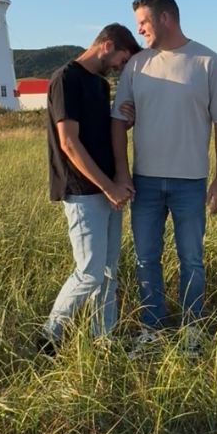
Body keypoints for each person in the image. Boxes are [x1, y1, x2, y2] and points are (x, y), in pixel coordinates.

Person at [111, 0, 217, 356]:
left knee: (191, 261)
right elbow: (118, 121)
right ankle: (151, 330)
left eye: (143, 23)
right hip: (145, 182)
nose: (139, 31)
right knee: (145, 259)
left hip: (191, 183)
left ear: (164, 18)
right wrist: (122, 175)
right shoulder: (137, 66)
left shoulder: (208, 62)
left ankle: (191, 332)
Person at [39, 23, 141, 353]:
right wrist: (109, 187)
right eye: (122, 60)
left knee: (109, 272)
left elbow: (100, 133)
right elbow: (69, 143)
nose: (120, 68)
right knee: (89, 273)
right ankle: (49, 336)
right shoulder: (65, 79)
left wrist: (124, 121)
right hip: (82, 191)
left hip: (108, 189)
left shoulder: (99, 85)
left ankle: (104, 339)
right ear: (107, 46)